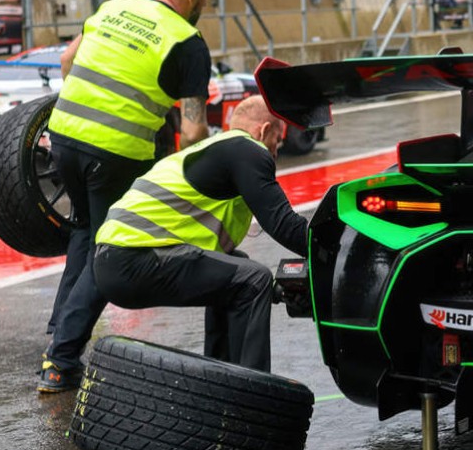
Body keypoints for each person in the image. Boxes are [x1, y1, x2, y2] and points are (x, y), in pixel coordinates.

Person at [37, 0, 215, 393]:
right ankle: (60, 362)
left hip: (62, 137)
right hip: (115, 153)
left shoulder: (116, 7)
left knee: (84, 231)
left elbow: (66, 59)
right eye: (205, 0)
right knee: (111, 250)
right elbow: (192, 129)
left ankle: (59, 333)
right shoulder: (187, 41)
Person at [85, 97, 309, 372]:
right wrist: (337, 247)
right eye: (277, 140)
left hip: (111, 261)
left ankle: (218, 381)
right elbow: (285, 225)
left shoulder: (209, 151)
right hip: (134, 257)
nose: (276, 152)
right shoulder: (248, 149)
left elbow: (219, 265)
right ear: (263, 131)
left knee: (238, 269)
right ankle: (253, 390)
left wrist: (278, 291)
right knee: (254, 279)